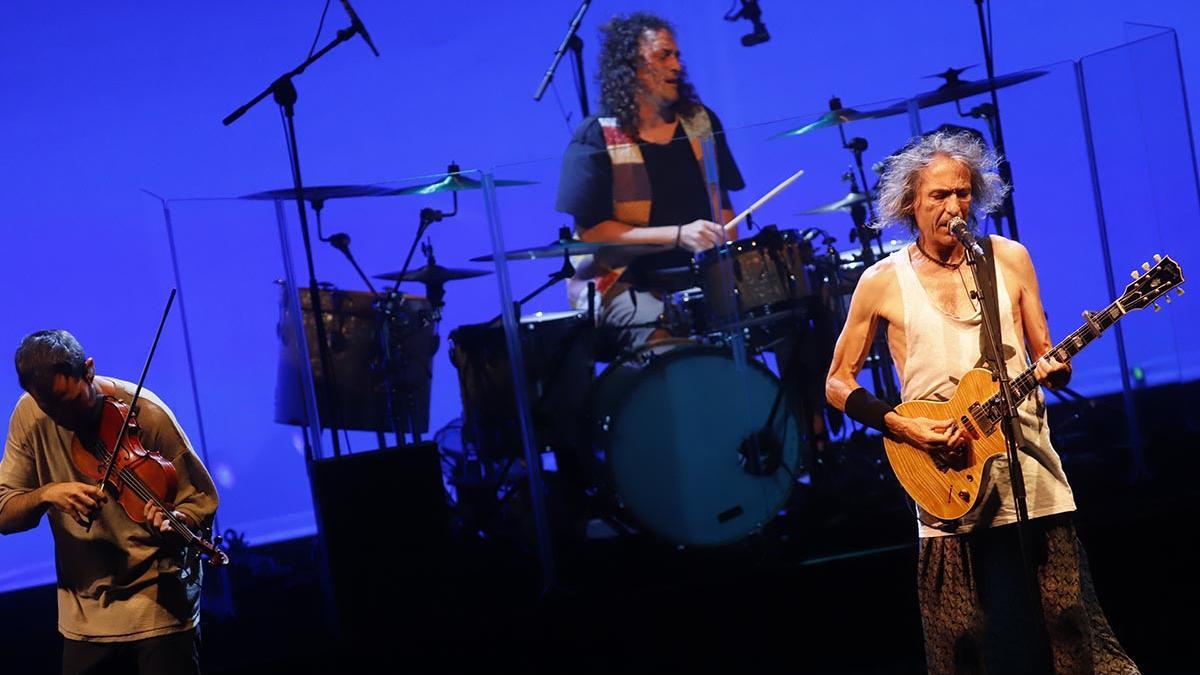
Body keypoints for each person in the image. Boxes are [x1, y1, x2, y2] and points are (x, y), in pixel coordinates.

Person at [824, 131, 1138, 673]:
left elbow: (1047, 355)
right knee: (959, 632)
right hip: (942, 465)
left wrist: (1057, 368)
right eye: (939, 195)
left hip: (1025, 455)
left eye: (963, 193)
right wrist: (902, 426)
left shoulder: (1008, 258)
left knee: (1068, 613)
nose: (954, 206)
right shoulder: (882, 281)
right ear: (910, 203)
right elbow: (837, 382)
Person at [0, 329, 219, 675]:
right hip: (85, 617)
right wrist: (46, 494)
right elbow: (4, 513)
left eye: (72, 402)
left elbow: (200, 502)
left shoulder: (147, 415)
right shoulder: (30, 415)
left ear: (88, 370)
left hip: (158, 609)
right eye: (52, 409)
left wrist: (177, 522)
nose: (66, 419)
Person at [556, 11, 745, 353]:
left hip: (701, 276)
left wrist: (728, 251)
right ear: (631, 66)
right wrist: (678, 235)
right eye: (663, 56)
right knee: (666, 343)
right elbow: (593, 233)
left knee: (787, 310)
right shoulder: (597, 134)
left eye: (677, 55)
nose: (676, 66)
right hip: (622, 281)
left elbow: (723, 207)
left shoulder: (700, 121)